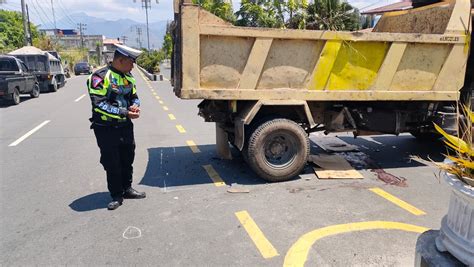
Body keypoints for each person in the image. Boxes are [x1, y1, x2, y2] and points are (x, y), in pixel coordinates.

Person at [87, 44, 146, 210]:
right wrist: (125, 112)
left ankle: (127, 188)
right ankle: (116, 194)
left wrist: (135, 106)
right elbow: (99, 104)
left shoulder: (129, 77)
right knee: (112, 162)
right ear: (120, 60)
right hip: (106, 128)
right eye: (131, 62)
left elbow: (134, 97)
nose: (133, 66)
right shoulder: (99, 77)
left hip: (125, 126)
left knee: (128, 158)